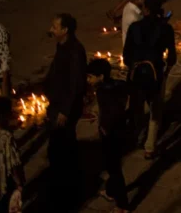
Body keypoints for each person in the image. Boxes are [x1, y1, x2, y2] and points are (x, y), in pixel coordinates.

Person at [123, 0, 177, 159]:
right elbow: (172, 56)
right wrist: (166, 71)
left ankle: (138, 137)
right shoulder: (166, 28)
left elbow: (126, 55)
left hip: (136, 75)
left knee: (137, 107)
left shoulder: (134, 27)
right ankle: (150, 147)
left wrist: (133, 67)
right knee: (155, 110)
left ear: (145, 9)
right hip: (156, 73)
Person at [44, 13, 87, 210]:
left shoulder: (75, 51)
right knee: (59, 146)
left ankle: (69, 190)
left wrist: (65, 111)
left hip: (65, 108)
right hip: (57, 104)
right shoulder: (61, 46)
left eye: (54, 27)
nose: (51, 30)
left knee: (63, 147)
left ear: (65, 30)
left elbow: (75, 84)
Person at [87, 58, 130, 213]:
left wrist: (104, 127)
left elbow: (110, 112)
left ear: (101, 77)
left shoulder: (103, 92)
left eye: (90, 77)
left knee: (114, 169)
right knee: (112, 165)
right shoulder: (118, 85)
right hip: (120, 130)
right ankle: (111, 191)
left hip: (111, 134)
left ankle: (122, 205)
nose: (88, 80)